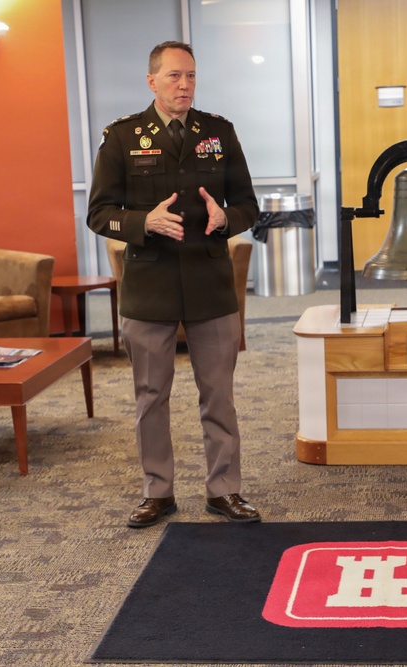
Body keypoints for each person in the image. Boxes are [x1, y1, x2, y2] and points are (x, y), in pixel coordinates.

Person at [87, 41, 261, 528]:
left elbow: (250, 204)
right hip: (150, 284)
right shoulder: (123, 138)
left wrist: (228, 218)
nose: (183, 85)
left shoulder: (218, 132)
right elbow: (98, 213)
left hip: (210, 282)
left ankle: (224, 490)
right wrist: (145, 223)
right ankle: (157, 492)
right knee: (151, 395)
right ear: (152, 82)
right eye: (172, 77)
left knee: (218, 394)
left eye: (189, 76)